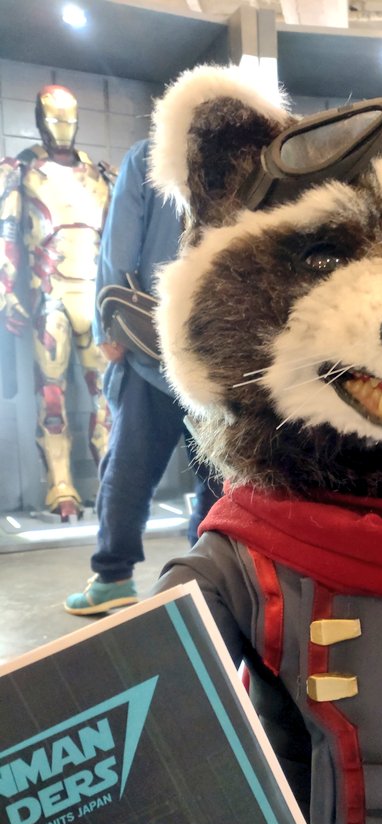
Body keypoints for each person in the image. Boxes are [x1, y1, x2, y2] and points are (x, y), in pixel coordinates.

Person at [64, 139, 222, 615]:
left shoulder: (149, 153)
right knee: (218, 474)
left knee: (130, 466)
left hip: (150, 344)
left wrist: (108, 324)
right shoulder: (245, 151)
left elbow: (119, 248)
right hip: (218, 349)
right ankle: (210, 577)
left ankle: (113, 577)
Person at [0, 85, 112, 520]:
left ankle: (111, 482)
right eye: (55, 119)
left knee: (106, 398)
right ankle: (60, 484)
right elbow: (8, 231)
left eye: (68, 119)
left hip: (95, 297)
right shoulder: (20, 172)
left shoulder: (99, 175)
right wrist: (7, 290)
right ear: (40, 120)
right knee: (51, 396)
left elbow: (116, 241)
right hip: (50, 297)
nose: (63, 128)